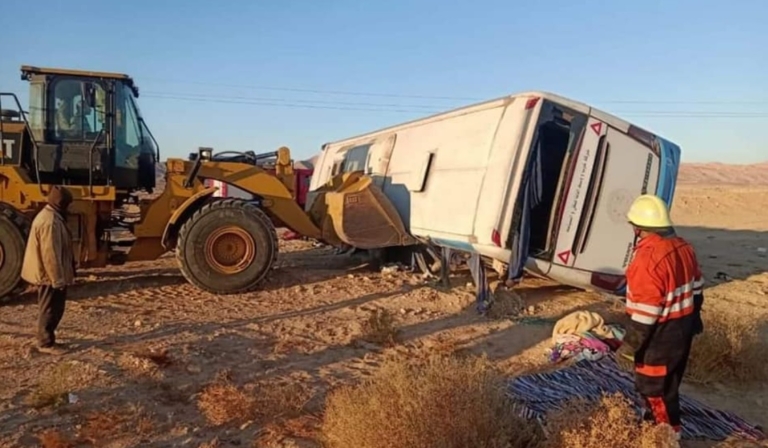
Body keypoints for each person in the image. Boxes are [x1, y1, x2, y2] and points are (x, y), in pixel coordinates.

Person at [619, 194, 705, 438]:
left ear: (638, 228)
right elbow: (697, 287)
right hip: (682, 328)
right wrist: (694, 319)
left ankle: (666, 436)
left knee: (653, 389)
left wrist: (630, 345)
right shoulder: (684, 248)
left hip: (659, 335)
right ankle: (658, 424)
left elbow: (646, 312)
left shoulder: (647, 259)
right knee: (670, 384)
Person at [21, 186, 76, 355]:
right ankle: (45, 344)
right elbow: (50, 255)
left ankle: (48, 339)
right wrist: (57, 280)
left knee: (53, 307)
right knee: (50, 308)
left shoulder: (51, 216)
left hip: (48, 274)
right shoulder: (50, 222)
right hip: (48, 275)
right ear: (62, 204)